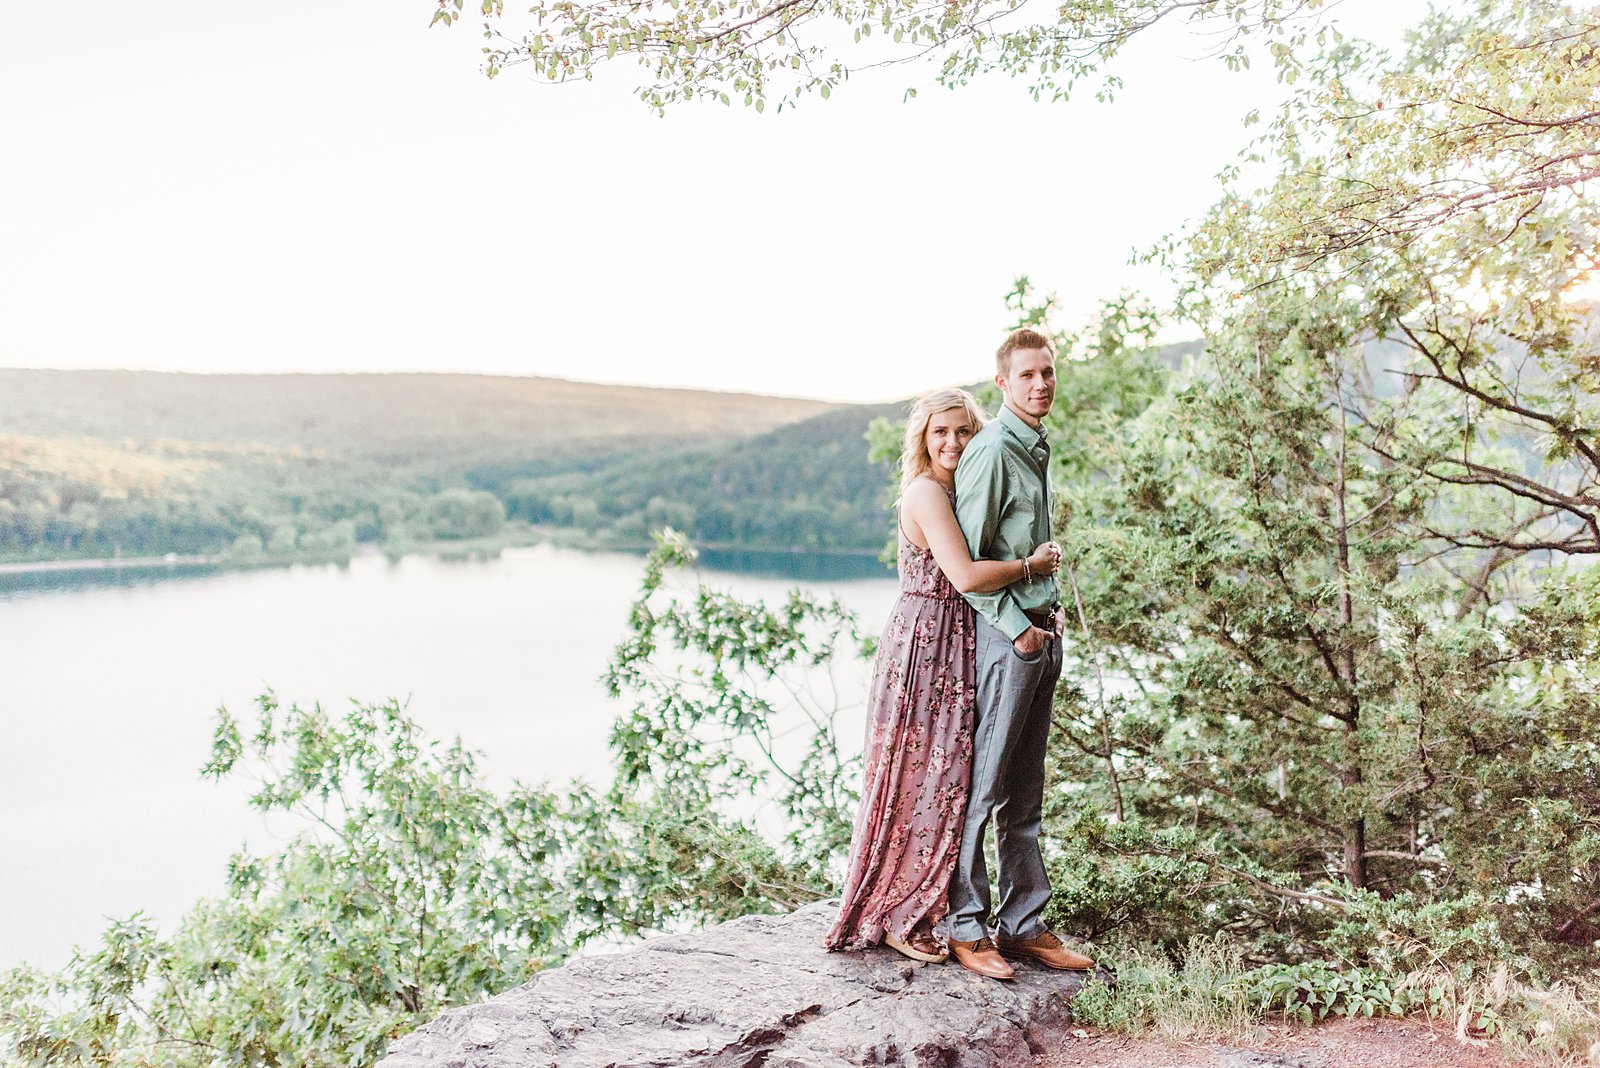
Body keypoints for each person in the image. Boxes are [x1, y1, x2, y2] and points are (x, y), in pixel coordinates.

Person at [825, 387, 1061, 963]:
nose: (953, 442)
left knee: (946, 777)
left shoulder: (963, 488)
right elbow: (964, 575)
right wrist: (1034, 564)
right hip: (926, 645)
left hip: (957, 641)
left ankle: (958, 910)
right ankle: (908, 913)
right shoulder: (927, 494)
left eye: (962, 431)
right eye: (940, 433)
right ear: (922, 440)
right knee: (924, 778)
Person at [945, 327, 1096, 980]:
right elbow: (971, 567)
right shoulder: (991, 450)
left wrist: (1048, 614)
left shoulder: (1034, 446)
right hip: (1011, 644)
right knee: (985, 790)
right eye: (1028, 375)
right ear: (1002, 382)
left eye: (1049, 374)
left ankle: (1024, 924)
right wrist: (1020, 628)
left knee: (1026, 793)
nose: (1042, 384)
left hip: (1041, 634)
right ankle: (966, 926)